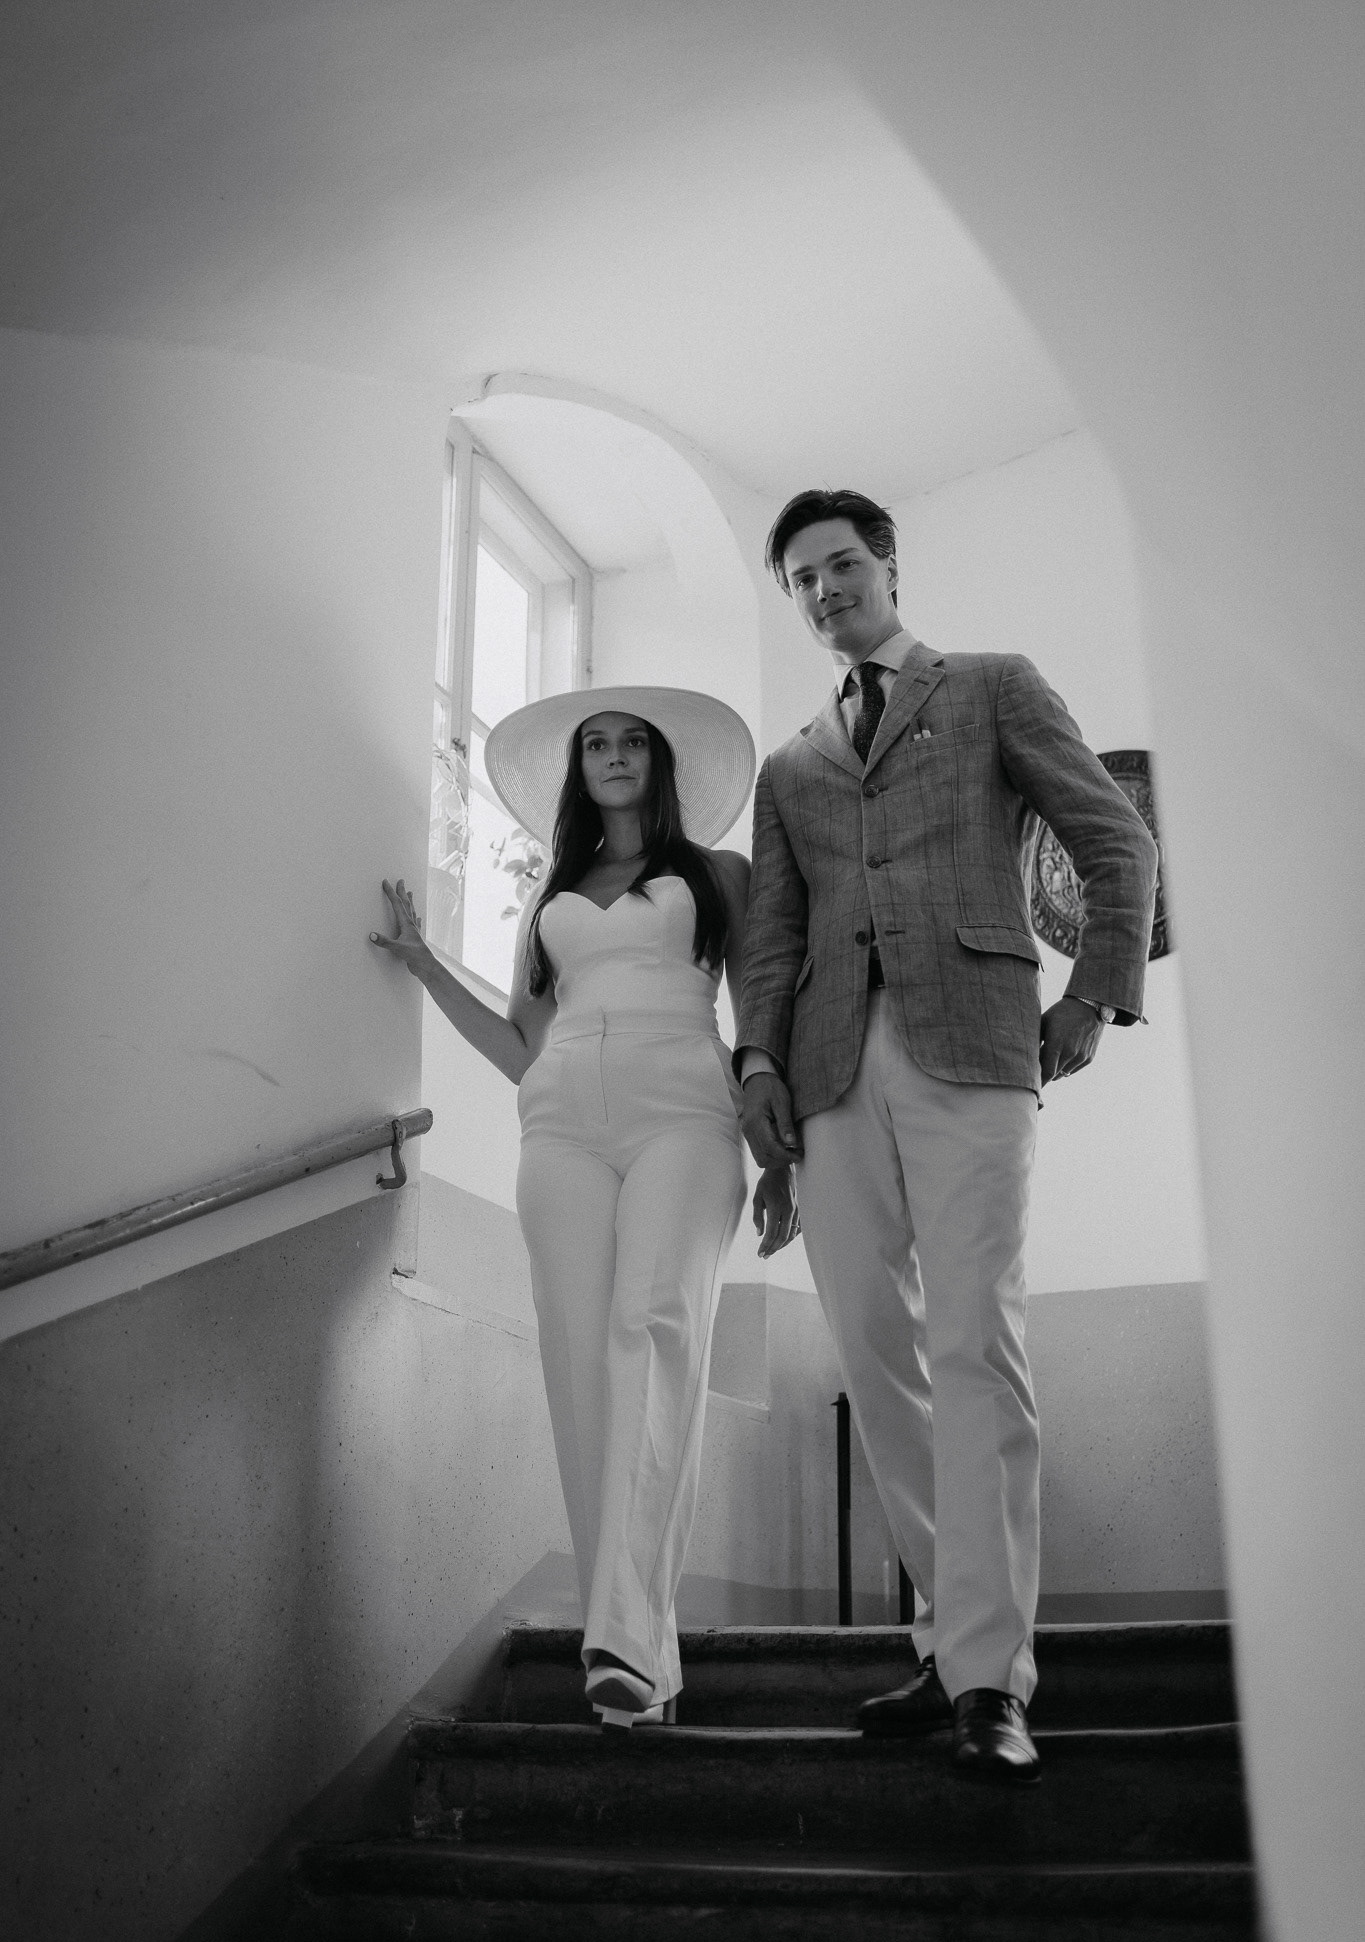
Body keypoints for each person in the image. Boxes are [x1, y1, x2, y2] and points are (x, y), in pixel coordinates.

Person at [737, 490, 1157, 1780]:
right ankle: (947, 1633)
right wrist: (758, 1064)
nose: (824, 590)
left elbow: (1116, 839)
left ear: (888, 566)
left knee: (975, 1343)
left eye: (841, 564)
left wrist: (1093, 992)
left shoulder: (990, 685)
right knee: (877, 1358)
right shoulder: (788, 766)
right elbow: (773, 936)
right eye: (802, 578)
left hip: (975, 1044)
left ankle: (989, 1677)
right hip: (827, 1076)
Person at [372, 686, 796, 1729]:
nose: (613, 755)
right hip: (560, 1120)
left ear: (660, 763)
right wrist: (428, 966)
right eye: (596, 743)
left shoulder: (720, 875)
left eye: (631, 742)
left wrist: (779, 1144)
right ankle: (640, 1659)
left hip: (684, 1106)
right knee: (578, 1362)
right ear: (578, 770)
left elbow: (762, 1011)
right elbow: (523, 1045)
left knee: (650, 1329)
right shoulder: (550, 897)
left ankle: (617, 1639)